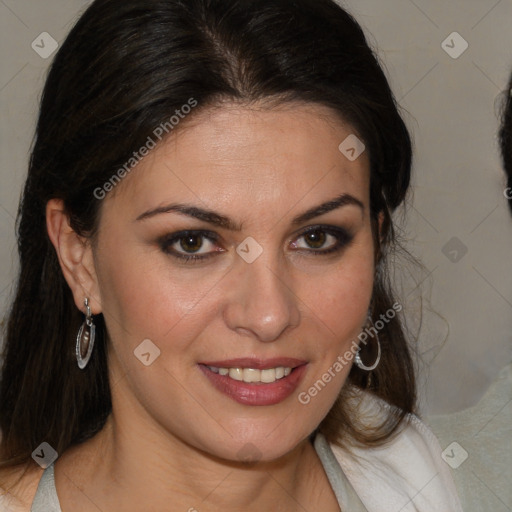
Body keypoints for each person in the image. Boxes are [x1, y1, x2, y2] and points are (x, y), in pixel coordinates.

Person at [0, 0, 462, 510]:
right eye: (193, 243)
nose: (268, 315)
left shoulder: (410, 470)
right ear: (78, 257)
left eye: (316, 238)